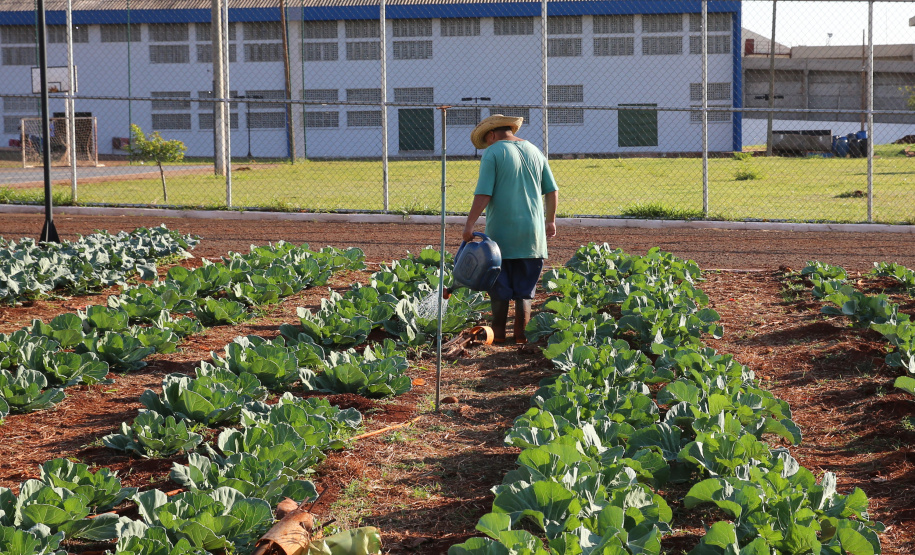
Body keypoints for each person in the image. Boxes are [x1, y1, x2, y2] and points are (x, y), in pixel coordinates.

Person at [462, 114, 558, 344]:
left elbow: (484, 193)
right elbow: (552, 191)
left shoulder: (493, 152)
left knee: (500, 284)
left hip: (501, 235)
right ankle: (521, 336)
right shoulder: (535, 151)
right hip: (533, 235)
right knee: (525, 289)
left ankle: (498, 336)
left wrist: (470, 224)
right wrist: (550, 221)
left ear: (492, 135)